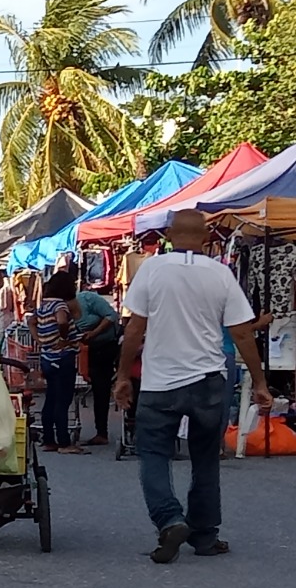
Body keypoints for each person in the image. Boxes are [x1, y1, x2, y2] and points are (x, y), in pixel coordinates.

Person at [115, 210, 272, 563]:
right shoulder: (221, 274)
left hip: (160, 384)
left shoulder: (151, 270)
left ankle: (169, 519)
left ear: (169, 234)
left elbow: (135, 330)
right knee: (205, 460)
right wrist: (260, 383)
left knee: (154, 454)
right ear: (207, 237)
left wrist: (123, 375)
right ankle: (204, 536)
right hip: (208, 381)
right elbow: (242, 332)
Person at [33, 271, 84, 453]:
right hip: (63, 356)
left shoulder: (44, 304)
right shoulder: (60, 304)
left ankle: (49, 440)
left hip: (47, 356)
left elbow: (31, 321)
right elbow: (62, 321)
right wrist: (63, 337)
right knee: (63, 399)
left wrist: (40, 340)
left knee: (51, 398)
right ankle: (64, 442)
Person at [71, 283, 120, 445]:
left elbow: (111, 316)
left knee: (102, 388)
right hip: (90, 349)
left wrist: (94, 333)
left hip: (109, 344)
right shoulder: (63, 312)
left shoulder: (87, 299)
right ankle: (100, 430)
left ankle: (102, 431)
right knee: (98, 387)